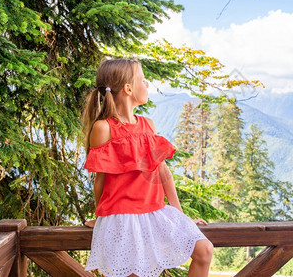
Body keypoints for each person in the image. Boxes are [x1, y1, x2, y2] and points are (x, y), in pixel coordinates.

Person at [81, 58, 213, 277]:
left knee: (204, 251)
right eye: (143, 80)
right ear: (128, 88)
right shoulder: (103, 128)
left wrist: (179, 216)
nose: (147, 85)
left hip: (154, 211)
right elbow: (100, 180)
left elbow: (163, 172)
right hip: (122, 218)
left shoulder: (147, 125)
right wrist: (101, 217)